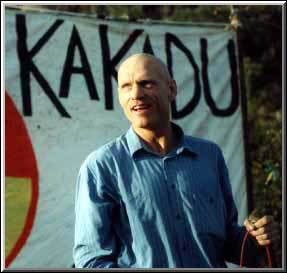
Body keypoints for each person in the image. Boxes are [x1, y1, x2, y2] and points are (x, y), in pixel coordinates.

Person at [73, 53, 281, 268]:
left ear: (171, 89)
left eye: (146, 83)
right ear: (119, 96)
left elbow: (229, 242)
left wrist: (257, 239)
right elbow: (91, 261)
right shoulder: (101, 167)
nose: (136, 94)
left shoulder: (210, 156)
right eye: (126, 86)